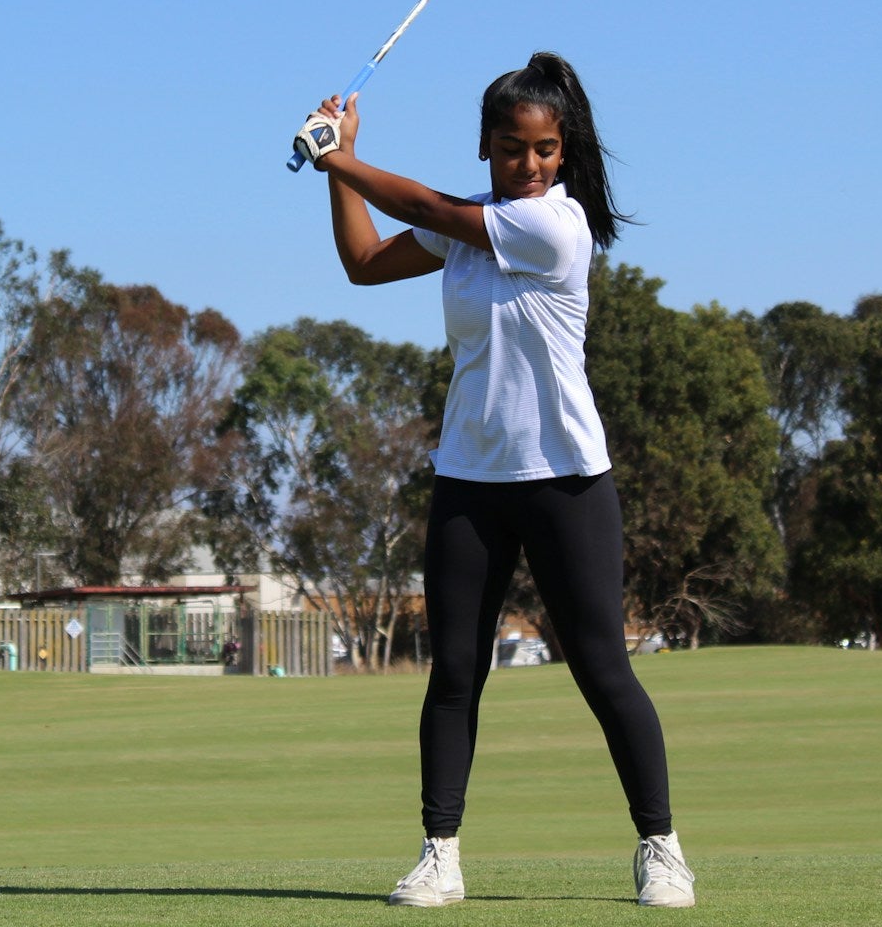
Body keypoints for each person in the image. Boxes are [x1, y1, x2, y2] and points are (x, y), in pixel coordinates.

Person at [293, 52, 694, 909]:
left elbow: (427, 208)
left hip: (565, 479)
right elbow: (364, 261)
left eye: (545, 149)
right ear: (486, 144)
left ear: (564, 152)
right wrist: (338, 168)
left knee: (601, 668)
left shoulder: (557, 226)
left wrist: (341, 156)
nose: (530, 164)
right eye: (513, 149)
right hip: (469, 479)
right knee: (455, 673)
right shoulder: (470, 223)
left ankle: (661, 848)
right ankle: (440, 854)